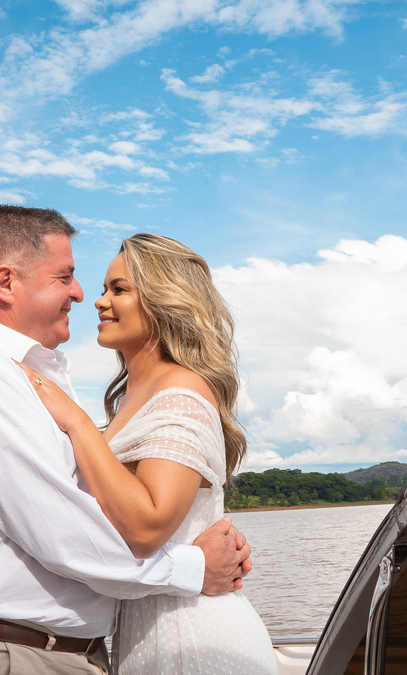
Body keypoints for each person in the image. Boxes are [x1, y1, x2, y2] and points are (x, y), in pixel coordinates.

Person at [0, 206, 253, 675]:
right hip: (11, 654)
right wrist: (196, 567)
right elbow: (62, 533)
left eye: (117, 288)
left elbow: (103, 514)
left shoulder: (34, 377)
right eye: (65, 276)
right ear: (6, 283)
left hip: (71, 648)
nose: (82, 294)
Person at [19, 233, 278, 675]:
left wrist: (78, 424)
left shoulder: (181, 389)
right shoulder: (132, 399)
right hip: (153, 631)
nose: (100, 301)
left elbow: (147, 527)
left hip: (192, 637)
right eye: (104, 289)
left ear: (164, 301)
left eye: (119, 289)